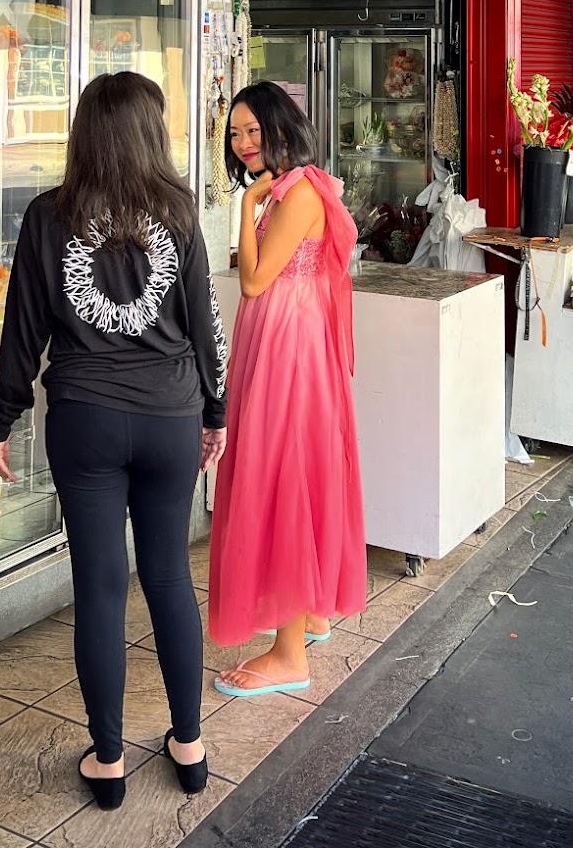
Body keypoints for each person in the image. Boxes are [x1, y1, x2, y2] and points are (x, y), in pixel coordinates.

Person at [0, 72, 227, 811]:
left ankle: (110, 758)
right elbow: (203, 320)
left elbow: (23, 329)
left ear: (84, 133)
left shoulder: (46, 216)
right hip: (169, 418)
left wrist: (4, 414)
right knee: (168, 577)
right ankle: (188, 745)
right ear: (152, 133)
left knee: (99, 586)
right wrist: (215, 410)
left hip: (85, 420)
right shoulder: (180, 215)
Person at [208, 81, 366, 698]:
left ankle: (289, 652)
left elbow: (251, 280)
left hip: (287, 346)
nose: (244, 143)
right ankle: (313, 610)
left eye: (254, 131)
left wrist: (246, 209)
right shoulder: (294, 187)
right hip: (288, 338)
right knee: (299, 468)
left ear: (280, 129)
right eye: (236, 133)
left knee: (285, 473)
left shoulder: (293, 192)